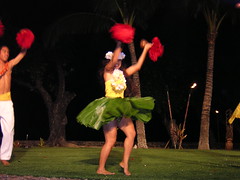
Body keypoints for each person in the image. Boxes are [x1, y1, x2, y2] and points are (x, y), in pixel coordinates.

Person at [76, 40, 154, 176]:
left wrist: (146, 49)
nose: (117, 62)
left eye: (119, 60)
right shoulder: (107, 72)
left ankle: (124, 162)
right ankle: (101, 168)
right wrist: (119, 44)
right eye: (115, 60)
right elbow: (112, 62)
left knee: (132, 134)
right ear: (110, 60)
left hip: (122, 106)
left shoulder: (122, 74)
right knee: (111, 140)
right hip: (109, 106)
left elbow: (137, 66)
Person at [0, 45, 27, 166]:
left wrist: (25, 47)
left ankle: (4, 156)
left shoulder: (9, 65)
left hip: (7, 101)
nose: (7, 53)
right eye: (4, 51)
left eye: (8, 52)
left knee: (9, 130)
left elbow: (20, 56)